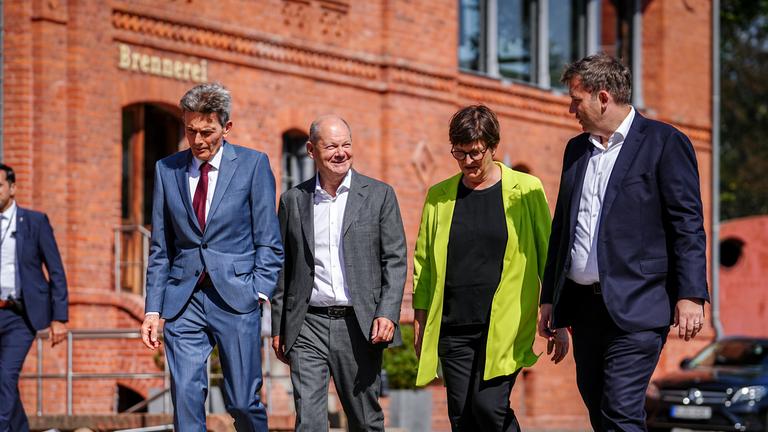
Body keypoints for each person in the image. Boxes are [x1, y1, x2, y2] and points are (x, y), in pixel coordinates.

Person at [539, 53, 709, 431]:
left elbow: (687, 224)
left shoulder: (664, 143)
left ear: (602, 97)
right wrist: (550, 296)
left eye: (575, 99)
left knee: (620, 410)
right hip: (584, 309)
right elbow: (563, 229)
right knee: (600, 410)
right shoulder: (576, 150)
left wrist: (691, 294)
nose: (570, 109)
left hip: (639, 305)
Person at [140, 83, 283, 432]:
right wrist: (153, 309)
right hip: (183, 299)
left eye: (207, 131)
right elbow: (161, 247)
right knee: (186, 399)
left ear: (226, 128)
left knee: (242, 401)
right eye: (190, 130)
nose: (198, 140)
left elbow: (269, 240)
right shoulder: (167, 170)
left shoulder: (253, 166)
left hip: (236, 297)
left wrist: (258, 291)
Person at [412, 105, 564, 432]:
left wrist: (557, 312)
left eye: (476, 153)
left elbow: (549, 254)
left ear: (494, 147)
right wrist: (421, 317)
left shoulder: (526, 190)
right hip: (453, 326)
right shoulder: (439, 196)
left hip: (504, 325)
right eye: (459, 153)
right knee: (461, 416)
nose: (467, 161)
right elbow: (423, 262)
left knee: (489, 407)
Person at [271, 115, 407, 432]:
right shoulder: (292, 201)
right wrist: (279, 325)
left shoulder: (379, 195)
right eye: (331, 146)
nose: (341, 152)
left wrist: (387, 312)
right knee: (309, 421)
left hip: (359, 325)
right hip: (308, 324)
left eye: (346, 144)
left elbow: (396, 258)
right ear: (310, 149)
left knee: (365, 420)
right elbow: (283, 267)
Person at [0, 164, 68, 432]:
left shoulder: (35, 222)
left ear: (12, 188)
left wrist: (59, 318)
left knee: (5, 375)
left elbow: (56, 271)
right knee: (4, 381)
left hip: (21, 315)